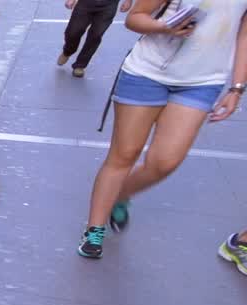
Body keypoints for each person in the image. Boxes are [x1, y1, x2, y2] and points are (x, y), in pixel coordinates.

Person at [77, 0, 247, 259]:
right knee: (124, 154)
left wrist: (236, 87)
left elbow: (244, 32)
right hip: (146, 73)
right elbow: (135, 18)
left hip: (202, 81)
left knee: (165, 162)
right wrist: (165, 27)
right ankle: (94, 229)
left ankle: (121, 194)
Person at [59, 0, 135, 77]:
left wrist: (128, 1)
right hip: (86, 3)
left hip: (109, 5)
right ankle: (67, 51)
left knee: (96, 35)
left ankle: (80, 65)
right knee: (73, 32)